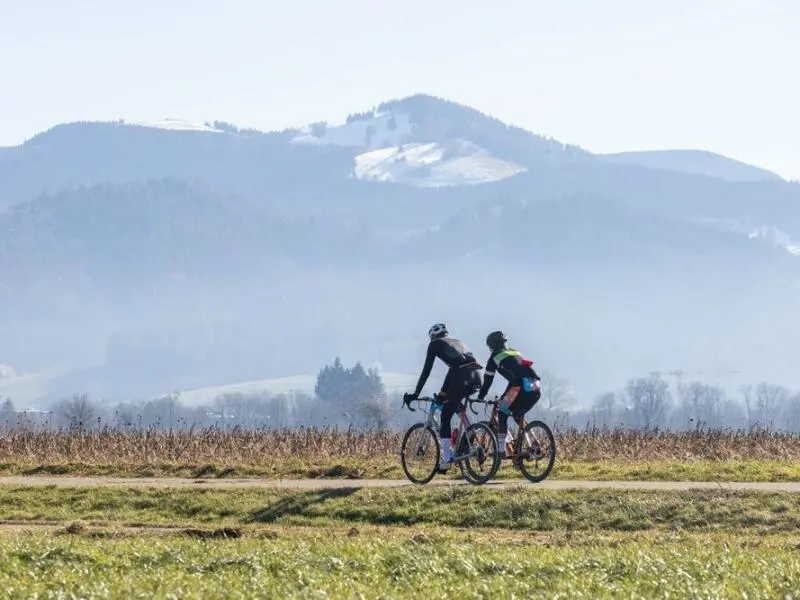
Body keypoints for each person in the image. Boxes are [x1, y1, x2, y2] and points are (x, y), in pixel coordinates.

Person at [406, 323, 483, 472]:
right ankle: (472, 431)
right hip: (476, 377)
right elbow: (456, 367)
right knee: (456, 405)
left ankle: (447, 459)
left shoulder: (434, 344)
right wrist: (443, 391)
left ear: (432, 337)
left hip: (460, 377)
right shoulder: (457, 342)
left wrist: (415, 394)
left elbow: (426, 371)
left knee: (445, 415)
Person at [477, 330, 541, 457]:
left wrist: (481, 396)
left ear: (492, 345)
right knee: (517, 415)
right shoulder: (514, 352)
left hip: (521, 386)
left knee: (502, 411)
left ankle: (501, 450)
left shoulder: (494, 357)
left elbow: (488, 381)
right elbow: (515, 377)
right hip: (535, 386)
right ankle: (534, 444)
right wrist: (504, 396)